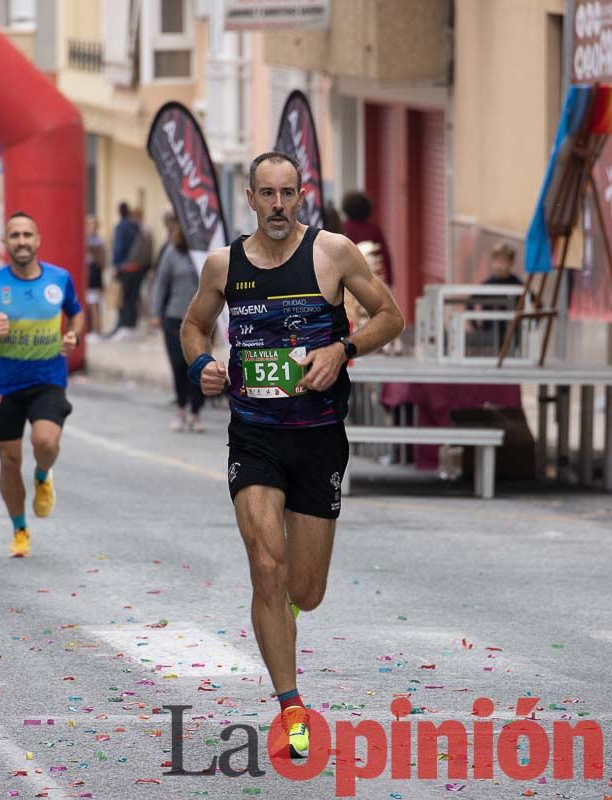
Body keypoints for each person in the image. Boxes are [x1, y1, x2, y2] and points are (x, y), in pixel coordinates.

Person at [181, 151, 403, 760]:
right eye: (266, 195)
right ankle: (291, 704)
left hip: (319, 435)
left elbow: (391, 317)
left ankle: (287, 618)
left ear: (300, 195)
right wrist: (202, 364)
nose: (278, 206)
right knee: (266, 564)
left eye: (288, 194)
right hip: (254, 435)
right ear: (249, 199)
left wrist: (343, 348)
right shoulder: (224, 264)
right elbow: (194, 326)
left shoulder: (333, 253)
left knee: (306, 588)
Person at [0, 211, 85, 559]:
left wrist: (73, 334)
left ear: (38, 241)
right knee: (8, 459)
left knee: (45, 442)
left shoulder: (59, 280)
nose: (21, 242)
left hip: (48, 377)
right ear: (6, 243)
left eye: (27, 235)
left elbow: (75, 312)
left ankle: (44, 475)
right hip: (6, 381)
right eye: (14, 236)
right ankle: (19, 529)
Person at [149, 209, 205, 432]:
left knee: (199, 366)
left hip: (202, 320)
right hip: (174, 319)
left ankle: (196, 412)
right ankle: (181, 408)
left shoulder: (204, 254)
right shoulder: (171, 253)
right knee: (179, 365)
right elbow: (160, 284)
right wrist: (155, 313)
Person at [340, 190, 393, 287]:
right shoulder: (374, 230)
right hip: (371, 277)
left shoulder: (342, 228)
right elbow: (386, 257)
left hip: (348, 278)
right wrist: (389, 281)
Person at [108, 202, 141, 338]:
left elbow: (119, 248)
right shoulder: (136, 226)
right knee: (132, 297)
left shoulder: (121, 227)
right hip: (137, 267)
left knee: (122, 297)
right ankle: (131, 326)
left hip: (123, 267)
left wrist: (115, 265)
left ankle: (122, 325)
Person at [85, 215, 105, 334]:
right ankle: (92, 328)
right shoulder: (96, 241)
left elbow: (101, 261)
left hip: (94, 273)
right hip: (91, 272)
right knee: (91, 303)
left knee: (94, 303)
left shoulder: (96, 242)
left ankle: (96, 329)